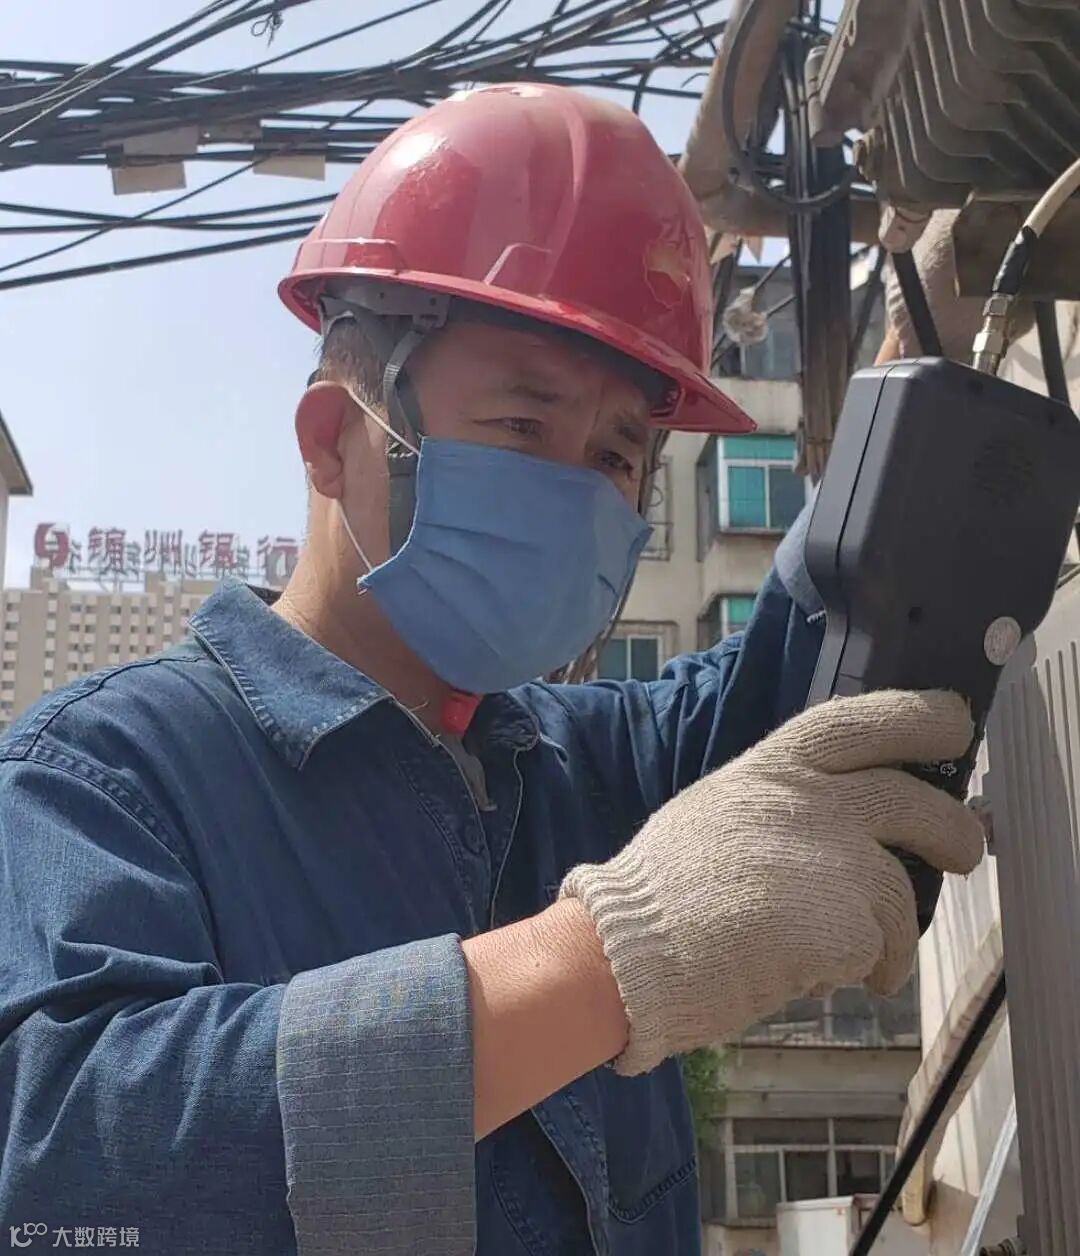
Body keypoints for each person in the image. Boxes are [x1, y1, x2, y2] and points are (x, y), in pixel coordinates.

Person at [0, 84, 982, 1255]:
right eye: (524, 425)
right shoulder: (103, 776)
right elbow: (74, 1166)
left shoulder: (583, 764)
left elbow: (805, 672)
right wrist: (606, 963)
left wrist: (917, 400)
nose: (578, 489)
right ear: (332, 439)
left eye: (617, 453)